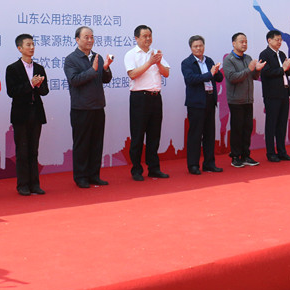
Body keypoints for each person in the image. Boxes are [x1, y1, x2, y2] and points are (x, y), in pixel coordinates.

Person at [64, 26, 113, 188]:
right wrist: (93, 70)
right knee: (82, 144)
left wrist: (105, 68)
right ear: (77, 39)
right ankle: (81, 177)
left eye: (92, 37)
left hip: (98, 107)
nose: (90, 40)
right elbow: (74, 80)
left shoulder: (97, 57)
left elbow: (105, 79)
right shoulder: (71, 59)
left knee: (96, 144)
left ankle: (94, 175)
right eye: (86, 37)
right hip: (81, 108)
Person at [123, 25, 170, 181]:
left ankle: (154, 168)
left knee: (154, 135)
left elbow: (166, 73)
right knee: (137, 135)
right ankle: (136, 170)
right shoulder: (131, 54)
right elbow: (132, 74)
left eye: (150, 35)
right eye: (144, 36)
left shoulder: (156, 53)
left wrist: (158, 62)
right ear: (136, 38)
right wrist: (150, 63)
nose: (148, 39)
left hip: (155, 97)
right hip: (139, 98)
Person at [5, 34, 49, 195]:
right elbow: (12, 92)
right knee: (22, 151)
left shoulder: (39, 68)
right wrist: (30, 84)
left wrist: (38, 85)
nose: (32, 47)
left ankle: (35, 184)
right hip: (20, 114)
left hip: (36, 113)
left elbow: (45, 91)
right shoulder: (12, 68)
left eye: (33, 44)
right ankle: (23, 185)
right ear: (20, 48)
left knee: (34, 150)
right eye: (28, 45)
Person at [181, 35, 224, 175]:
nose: (199, 48)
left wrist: (217, 71)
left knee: (209, 134)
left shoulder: (209, 60)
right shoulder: (187, 63)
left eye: (200, 46)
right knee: (195, 135)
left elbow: (219, 78)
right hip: (196, 103)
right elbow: (191, 79)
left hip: (210, 100)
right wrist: (209, 74)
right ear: (191, 48)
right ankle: (193, 165)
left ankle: (209, 163)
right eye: (195, 46)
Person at [222, 32, 265, 168]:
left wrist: (257, 70)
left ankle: (246, 155)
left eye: (246, 41)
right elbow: (232, 78)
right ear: (234, 43)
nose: (244, 44)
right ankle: (235, 156)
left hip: (248, 100)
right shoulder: (229, 60)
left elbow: (253, 76)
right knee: (237, 129)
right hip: (236, 100)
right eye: (241, 41)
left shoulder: (248, 58)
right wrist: (249, 69)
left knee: (247, 128)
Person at [258, 29, 290, 162]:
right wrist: (283, 69)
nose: (280, 42)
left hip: (284, 93)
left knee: (282, 124)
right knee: (271, 124)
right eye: (277, 39)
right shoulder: (265, 54)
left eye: (281, 40)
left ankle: (282, 152)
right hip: (272, 95)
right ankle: (271, 153)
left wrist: (289, 67)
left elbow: (286, 72)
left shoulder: (281, 54)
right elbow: (266, 73)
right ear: (269, 40)